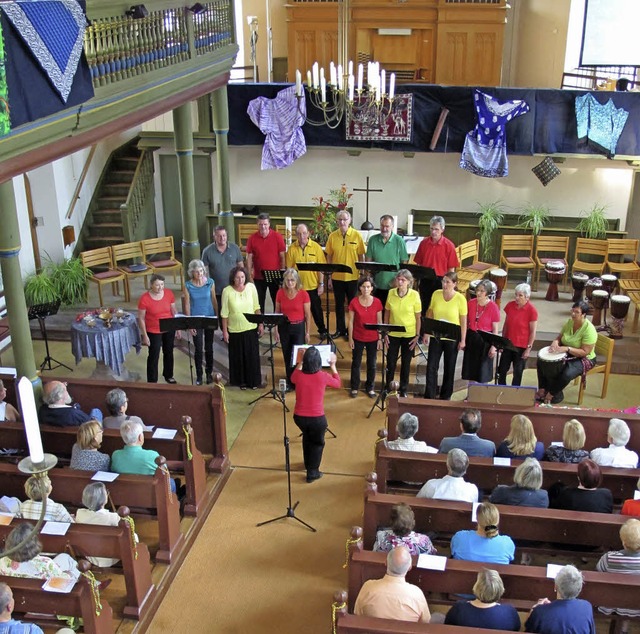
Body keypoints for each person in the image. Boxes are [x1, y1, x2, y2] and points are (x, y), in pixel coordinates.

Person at [291, 347, 340, 482]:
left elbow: (293, 377)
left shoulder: (298, 376)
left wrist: (300, 361)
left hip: (299, 417)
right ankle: (312, 472)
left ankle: (307, 464)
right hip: (317, 419)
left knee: (307, 438)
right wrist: (333, 366)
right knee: (317, 443)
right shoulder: (322, 376)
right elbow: (337, 383)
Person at [536, 301, 597, 405]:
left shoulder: (589, 330)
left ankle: (552, 394)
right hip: (569, 352)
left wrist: (567, 349)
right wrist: (555, 342)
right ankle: (542, 388)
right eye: (572, 311)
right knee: (542, 361)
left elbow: (585, 352)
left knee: (566, 373)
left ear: (584, 314)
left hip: (584, 358)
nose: (573, 314)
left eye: (576, 312)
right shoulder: (569, 323)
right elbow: (560, 337)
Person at [354, 546, 431, 623]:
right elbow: (425, 622)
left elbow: (357, 613)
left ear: (386, 563)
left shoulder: (368, 587)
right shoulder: (417, 594)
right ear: (409, 567)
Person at [423, 272, 467, 400]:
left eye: (448, 282)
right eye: (443, 281)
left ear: (455, 284)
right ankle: (430, 395)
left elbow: (463, 320)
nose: (444, 284)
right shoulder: (436, 294)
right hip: (436, 335)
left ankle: (445, 396)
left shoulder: (460, 299)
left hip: (452, 337)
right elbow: (430, 313)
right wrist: (426, 332)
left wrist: (463, 340)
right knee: (431, 366)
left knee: (449, 367)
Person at [220, 266, 263, 390]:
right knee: (238, 357)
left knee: (252, 357)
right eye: (237, 277)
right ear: (233, 278)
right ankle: (241, 382)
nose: (240, 280)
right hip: (234, 330)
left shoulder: (251, 287)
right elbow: (224, 313)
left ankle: (253, 381)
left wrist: (260, 323)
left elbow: (257, 307)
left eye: (243, 277)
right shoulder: (227, 291)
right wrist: (225, 332)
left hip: (250, 328)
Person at [325, 210, 365, 338]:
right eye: (340, 219)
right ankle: (340, 329)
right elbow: (329, 256)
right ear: (337, 221)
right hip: (337, 277)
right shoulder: (332, 236)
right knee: (338, 305)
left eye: (345, 219)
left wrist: (362, 274)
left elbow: (361, 255)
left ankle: (351, 330)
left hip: (353, 277)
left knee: (352, 306)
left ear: (350, 221)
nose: (342, 222)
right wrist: (330, 276)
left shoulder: (356, 235)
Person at [111, 419, 180, 494]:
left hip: (125, 495)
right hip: (152, 496)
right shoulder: (152, 455)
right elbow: (165, 472)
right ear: (140, 437)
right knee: (171, 482)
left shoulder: (116, 455)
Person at [76, 482, 134, 568]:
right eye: (106, 492)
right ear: (103, 499)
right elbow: (130, 537)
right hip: (110, 558)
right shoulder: (113, 517)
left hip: (90, 556)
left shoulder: (80, 514)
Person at [412, 215, 459, 320]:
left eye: (436, 229)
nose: (433, 232)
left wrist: (448, 284)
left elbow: (451, 269)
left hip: (441, 280)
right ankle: (423, 331)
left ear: (442, 229)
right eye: (431, 229)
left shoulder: (449, 245)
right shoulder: (423, 243)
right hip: (426, 279)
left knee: (438, 307)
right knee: (424, 305)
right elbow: (419, 264)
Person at [524, 564, 595, 634]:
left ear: (555, 587)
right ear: (579, 589)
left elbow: (528, 630)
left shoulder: (540, 612)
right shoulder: (586, 607)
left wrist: (533, 611)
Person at [384, 269, 421, 398]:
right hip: (393, 333)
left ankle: (403, 389)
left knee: (406, 363)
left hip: (409, 334)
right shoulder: (390, 293)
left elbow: (418, 317)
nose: (400, 282)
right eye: (398, 279)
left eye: (403, 280)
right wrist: (385, 332)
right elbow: (387, 313)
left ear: (409, 282)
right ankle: (388, 388)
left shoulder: (415, 295)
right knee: (390, 362)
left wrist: (417, 335)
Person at [444, 568, 521, 631]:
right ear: (500, 589)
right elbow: (516, 628)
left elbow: (447, 627)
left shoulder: (459, 608)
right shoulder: (509, 612)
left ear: (476, 587)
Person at [286, 223, 328, 337]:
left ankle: (322, 330)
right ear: (296, 235)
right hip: (297, 288)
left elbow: (321, 268)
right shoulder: (291, 249)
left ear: (308, 233)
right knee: (298, 311)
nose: (302, 236)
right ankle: (301, 332)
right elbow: (289, 269)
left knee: (316, 310)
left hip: (312, 286)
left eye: (304, 233)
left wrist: (321, 284)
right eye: (299, 234)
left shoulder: (316, 247)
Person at [0, 523, 79, 582]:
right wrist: (70, 574)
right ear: (33, 544)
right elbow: (63, 580)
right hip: (47, 595)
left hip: (20, 593)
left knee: (64, 557)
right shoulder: (45, 563)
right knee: (68, 561)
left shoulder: (2, 562)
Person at [137, 273, 178, 384]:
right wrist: (144, 335)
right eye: (157, 285)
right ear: (151, 285)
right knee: (154, 355)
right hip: (153, 330)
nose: (160, 287)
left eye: (162, 284)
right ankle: (152, 380)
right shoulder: (144, 299)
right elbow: (141, 318)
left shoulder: (169, 294)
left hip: (169, 327)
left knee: (169, 352)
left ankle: (169, 375)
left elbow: (174, 311)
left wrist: (177, 328)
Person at [183, 259, 218, 385]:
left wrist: (217, 315)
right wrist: (189, 322)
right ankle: (199, 375)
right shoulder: (188, 285)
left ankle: (209, 373)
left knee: (209, 347)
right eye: (196, 272)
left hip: (209, 316)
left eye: (201, 271)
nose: (200, 274)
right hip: (195, 319)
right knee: (198, 348)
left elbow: (213, 299)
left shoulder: (210, 282)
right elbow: (186, 304)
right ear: (191, 273)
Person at [596, 518, 640, 619]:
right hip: (637, 605)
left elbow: (599, 573)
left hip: (611, 604)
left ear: (623, 542)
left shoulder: (608, 558)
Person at [275, 268, 311, 390]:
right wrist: (276, 330)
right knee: (287, 354)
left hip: (299, 327)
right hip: (284, 327)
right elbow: (277, 312)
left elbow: (307, 315)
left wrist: (307, 332)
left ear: (297, 281)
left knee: (299, 355)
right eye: (288, 280)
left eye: (292, 280)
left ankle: (299, 380)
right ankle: (290, 380)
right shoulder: (280, 293)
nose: (290, 283)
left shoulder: (303, 294)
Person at [496, 283, 538, 387]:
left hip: (522, 346)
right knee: (502, 369)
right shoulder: (510, 305)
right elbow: (506, 324)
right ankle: (502, 389)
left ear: (527, 297)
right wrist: (502, 341)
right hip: (508, 343)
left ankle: (514, 393)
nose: (517, 298)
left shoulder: (532, 311)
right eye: (516, 295)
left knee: (517, 372)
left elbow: (533, 332)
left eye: (520, 295)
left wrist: (528, 349)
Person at [348, 275, 383, 398]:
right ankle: (354, 387)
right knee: (356, 363)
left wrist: (380, 339)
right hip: (358, 336)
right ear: (360, 288)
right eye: (363, 286)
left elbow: (379, 322)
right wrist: (350, 338)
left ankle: (370, 387)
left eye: (368, 286)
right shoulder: (354, 302)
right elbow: (351, 321)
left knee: (372, 364)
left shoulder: (377, 302)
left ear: (372, 288)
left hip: (373, 338)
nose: (366, 289)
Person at [245, 213, 286, 313]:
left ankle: (277, 325)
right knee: (259, 301)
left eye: (265, 224)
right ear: (257, 225)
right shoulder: (252, 238)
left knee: (276, 301)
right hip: (259, 276)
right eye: (260, 224)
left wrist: (282, 274)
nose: (263, 226)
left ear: (269, 224)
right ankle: (260, 325)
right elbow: (249, 257)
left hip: (274, 275)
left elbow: (282, 256)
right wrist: (249, 274)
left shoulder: (277, 236)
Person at [462, 279, 500, 384]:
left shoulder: (493, 307)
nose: (478, 293)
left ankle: (480, 395)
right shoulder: (471, 303)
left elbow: (495, 328)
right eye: (477, 290)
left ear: (487, 293)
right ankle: (471, 395)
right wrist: (463, 340)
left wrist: (494, 346)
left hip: (485, 340)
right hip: (472, 337)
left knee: (482, 371)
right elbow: (466, 322)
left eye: (482, 291)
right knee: (471, 369)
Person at [451, 502, 515, 565]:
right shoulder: (507, 543)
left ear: (476, 519)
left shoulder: (460, 538)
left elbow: (452, 553)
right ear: (497, 520)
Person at [366, 214, 408, 307]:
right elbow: (368, 262)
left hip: (394, 284)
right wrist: (369, 279)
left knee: (392, 311)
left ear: (392, 227)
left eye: (387, 226)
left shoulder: (399, 240)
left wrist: (397, 280)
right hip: (377, 283)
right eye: (382, 226)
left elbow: (404, 263)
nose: (384, 228)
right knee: (378, 310)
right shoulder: (373, 240)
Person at [201, 225, 244, 311]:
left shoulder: (235, 248)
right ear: (214, 236)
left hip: (234, 288)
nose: (222, 238)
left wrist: (242, 284)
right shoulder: (207, 251)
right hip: (217, 291)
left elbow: (241, 268)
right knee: (220, 314)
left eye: (224, 235)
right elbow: (204, 273)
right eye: (219, 236)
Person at [38, 381, 102, 427]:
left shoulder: (42, 410)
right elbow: (92, 426)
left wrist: (61, 386)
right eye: (65, 390)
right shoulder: (73, 414)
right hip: (88, 430)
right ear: (60, 395)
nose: (67, 391)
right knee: (96, 411)